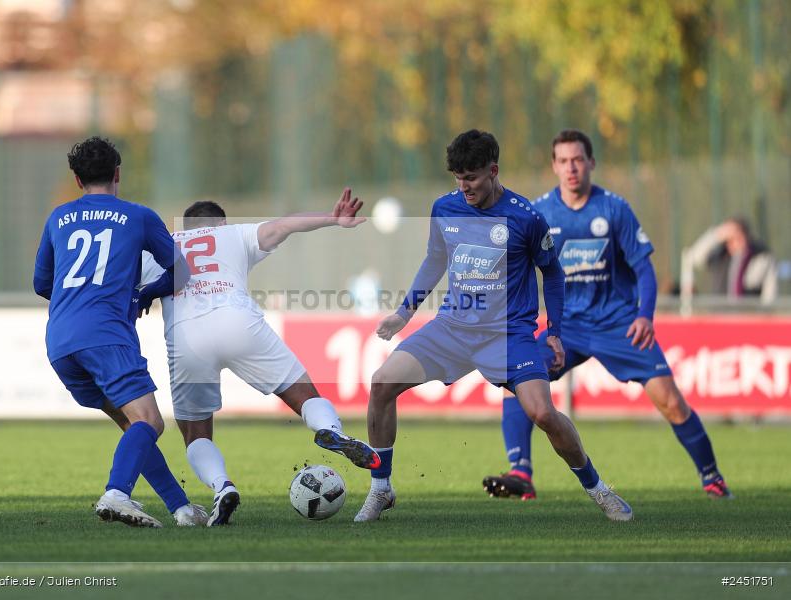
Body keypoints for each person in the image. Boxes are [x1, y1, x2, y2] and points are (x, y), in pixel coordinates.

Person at [356, 129, 633, 522]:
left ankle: (599, 489)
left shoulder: (525, 217)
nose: (464, 185)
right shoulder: (444, 209)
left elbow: (552, 275)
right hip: (452, 328)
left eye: (471, 177)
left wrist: (553, 332)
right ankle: (380, 489)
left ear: (493, 170)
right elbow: (434, 260)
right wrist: (405, 311)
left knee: (542, 413)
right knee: (382, 383)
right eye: (457, 177)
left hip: (508, 335)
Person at [484, 129, 732, 502]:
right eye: (564, 161)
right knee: (516, 378)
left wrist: (645, 316)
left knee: (671, 400)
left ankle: (712, 478)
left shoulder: (614, 209)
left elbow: (644, 269)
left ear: (591, 163)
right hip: (564, 329)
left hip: (618, 323)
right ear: (554, 166)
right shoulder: (539, 214)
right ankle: (522, 471)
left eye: (578, 160)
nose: (572, 168)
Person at [139, 189, 380, 526]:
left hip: (186, 335)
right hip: (239, 323)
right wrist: (333, 218)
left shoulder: (161, 246)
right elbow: (284, 226)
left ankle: (222, 487)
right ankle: (328, 429)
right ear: (220, 222)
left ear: (184, 225)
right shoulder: (233, 234)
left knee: (196, 434)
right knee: (304, 395)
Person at [33, 136, 207, 528]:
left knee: (134, 426)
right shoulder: (138, 216)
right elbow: (180, 271)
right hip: (106, 335)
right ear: (117, 173)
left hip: (60, 341)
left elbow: (42, 283)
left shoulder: (57, 218)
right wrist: (144, 293)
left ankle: (181, 509)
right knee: (150, 421)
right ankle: (116, 494)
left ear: (77, 181)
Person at [687, 217, 777, 304]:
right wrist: (717, 235)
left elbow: (769, 294)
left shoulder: (761, 257)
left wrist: (764, 314)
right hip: (720, 315)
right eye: (731, 239)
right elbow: (695, 258)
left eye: (739, 236)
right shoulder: (721, 255)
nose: (735, 242)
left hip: (749, 316)